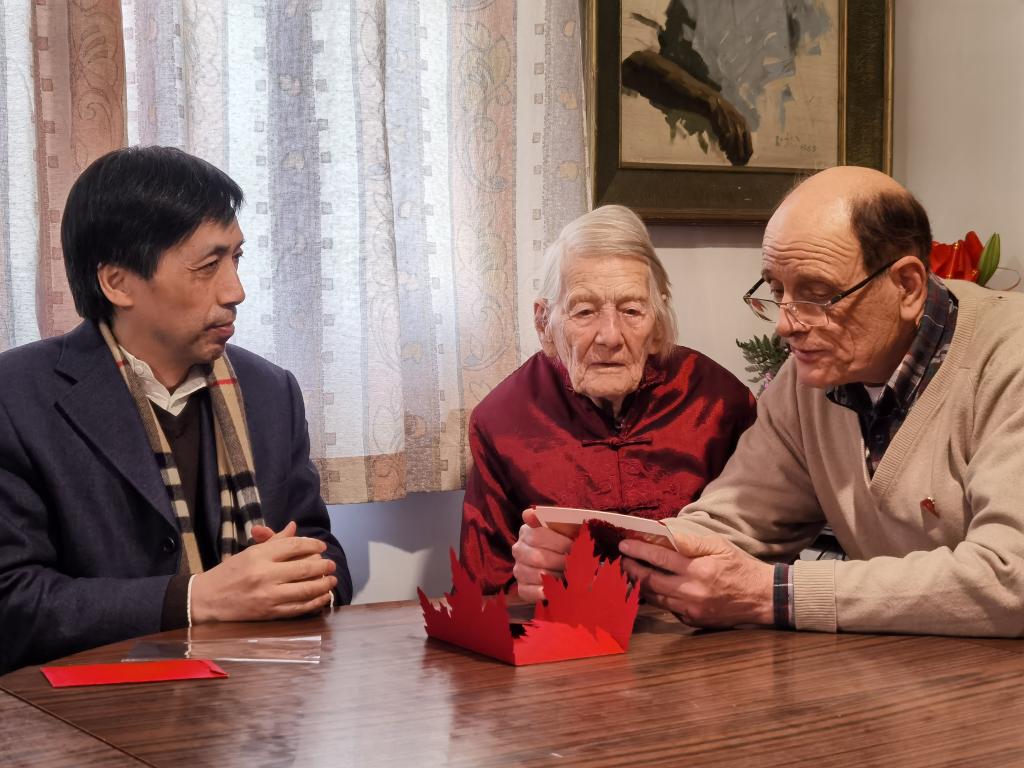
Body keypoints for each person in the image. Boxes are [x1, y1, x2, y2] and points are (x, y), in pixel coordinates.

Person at [604, 165, 1024, 637]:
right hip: (896, 670)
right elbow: (736, 520)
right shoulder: (810, 378)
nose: (785, 324)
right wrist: (599, 554)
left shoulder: (1009, 359)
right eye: (776, 291)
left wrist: (774, 594)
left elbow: (1010, 578)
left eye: (818, 295)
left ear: (907, 286)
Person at [0, 146, 352, 673]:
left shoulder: (269, 390)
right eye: (208, 266)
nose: (236, 291)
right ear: (118, 282)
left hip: (255, 697)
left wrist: (296, 575)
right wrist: (194, 599)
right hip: (87, 704)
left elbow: (324, 551)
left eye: (236, 259)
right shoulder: (16, 397)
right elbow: (12, 602)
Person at [461, 205, 757, 596]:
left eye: (632, 310)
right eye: (584, 311)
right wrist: (527, 582)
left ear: (657, 323)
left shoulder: (720, 404)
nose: (610, 336)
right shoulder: (502, 421)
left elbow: (761, 554)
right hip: (563, 627)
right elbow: (482, 589)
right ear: (544, 323)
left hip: (700, 626)